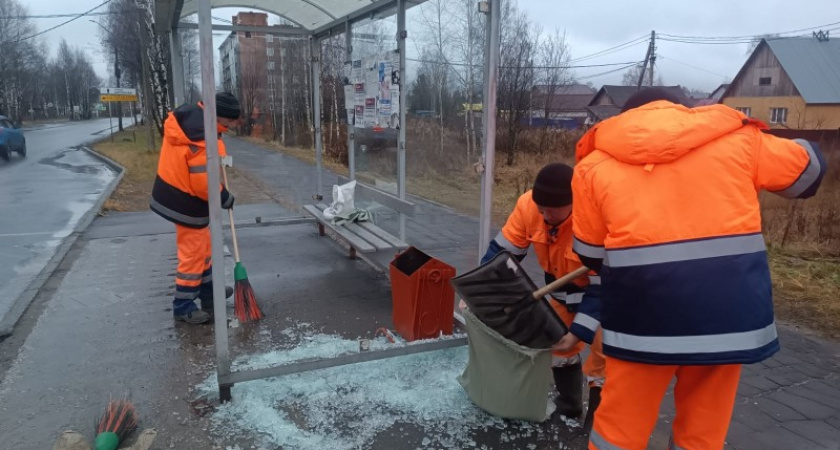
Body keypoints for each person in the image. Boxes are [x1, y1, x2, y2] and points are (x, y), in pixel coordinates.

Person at [564, 88, 825, 450]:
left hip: (643, 324)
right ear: (684, 112)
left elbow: (591, 254)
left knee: (619, 433)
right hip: (726, 322)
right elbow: (809, 173)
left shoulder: (592, 166)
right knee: (702, 434)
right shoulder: (739, 140)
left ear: (623, 119)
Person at [480, 162, 606, 432]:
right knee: (559, 347)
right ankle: (569, 406)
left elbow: (603, 286)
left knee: (603, 359)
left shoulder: (593, 217)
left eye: (551, 209)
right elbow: (501, 255)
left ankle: (596, 425)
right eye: (541, 208)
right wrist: (480, 291)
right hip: (561, 293)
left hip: (600, 299)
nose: (544, 214)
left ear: (573, 203)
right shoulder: (528, 207)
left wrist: (580, 331)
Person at [150, 92, 242, 324]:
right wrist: (224, 197)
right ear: (219, 117)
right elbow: (204, 184)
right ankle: (183, 306)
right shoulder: (203, 138)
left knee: (205, 248)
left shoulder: (196, 123)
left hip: (178, 194)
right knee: (193, 254)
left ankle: (209, 293)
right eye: (230, 121)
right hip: (184, 201)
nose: (232, 126)